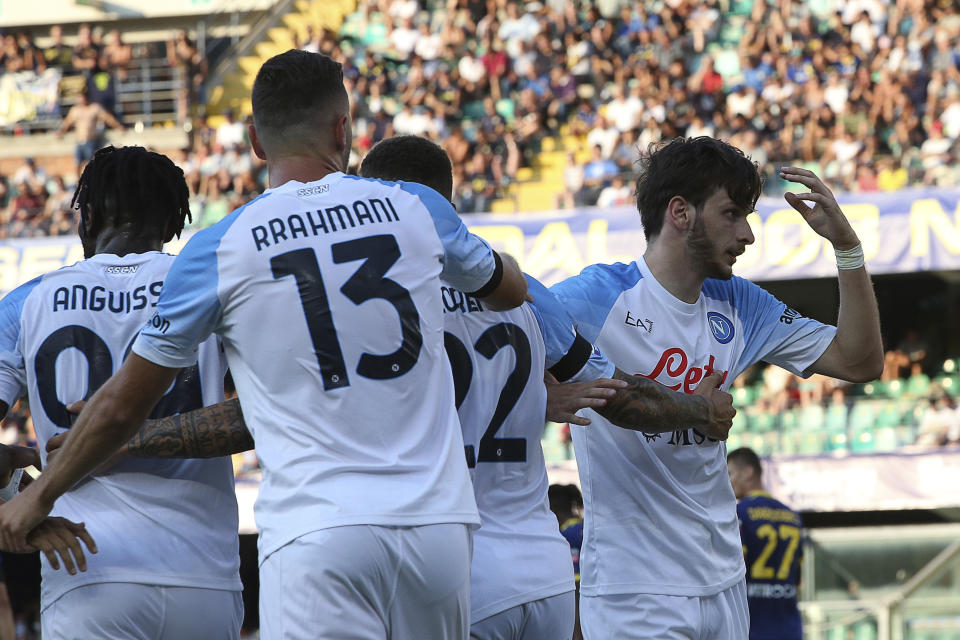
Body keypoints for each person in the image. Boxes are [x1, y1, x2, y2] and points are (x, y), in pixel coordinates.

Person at [0, 50, 528, 640]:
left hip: (312, 532)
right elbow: (507, 290)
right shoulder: (417, 205)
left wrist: (36, 494)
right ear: (343, 128)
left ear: (254, 140)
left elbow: (124, 406)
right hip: (435, 526)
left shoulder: (220, 249)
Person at [550, 136, 883, 639]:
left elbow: (860, 361)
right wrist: (544, 396)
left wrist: (848, 250)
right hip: (634, 590)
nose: (747, 234)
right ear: (680, 212)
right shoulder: (596, 296)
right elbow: (506, 343)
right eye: (731, 214)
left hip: (726, 583)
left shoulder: (742, 303)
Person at [0, 145, 243, 639]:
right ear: (174, 222)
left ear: (86, 216)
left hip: (84, 572)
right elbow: (259, 417)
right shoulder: (208, 287)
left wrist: (19, 497)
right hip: (204, 575)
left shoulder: (25, 303)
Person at [727, 447, 803, 640]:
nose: (727, 481)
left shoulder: (739, 513)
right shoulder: (792, 516)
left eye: (730, 473)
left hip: (753, 626)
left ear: (748, 472)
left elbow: (733, 570)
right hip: (790, 627)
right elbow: (798, 579)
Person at [55, 90, 124, 170]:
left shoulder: (94, 108)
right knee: (77, 164)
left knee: (90, 164)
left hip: (90, 141)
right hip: (79, 141)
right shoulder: (75, 110)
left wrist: (119, 126)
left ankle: (90, 180)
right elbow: (67, 122)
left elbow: (107, 118)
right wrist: (60, 132)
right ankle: (78, 182)